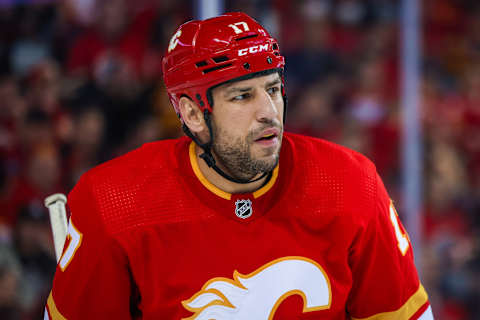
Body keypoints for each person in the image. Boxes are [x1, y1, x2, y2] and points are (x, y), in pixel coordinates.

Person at [45, 12, 434, 319]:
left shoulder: (351, 184)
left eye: (273, 90)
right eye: (242, 96)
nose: (269, 113)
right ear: (194, 114)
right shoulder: (112, 202)